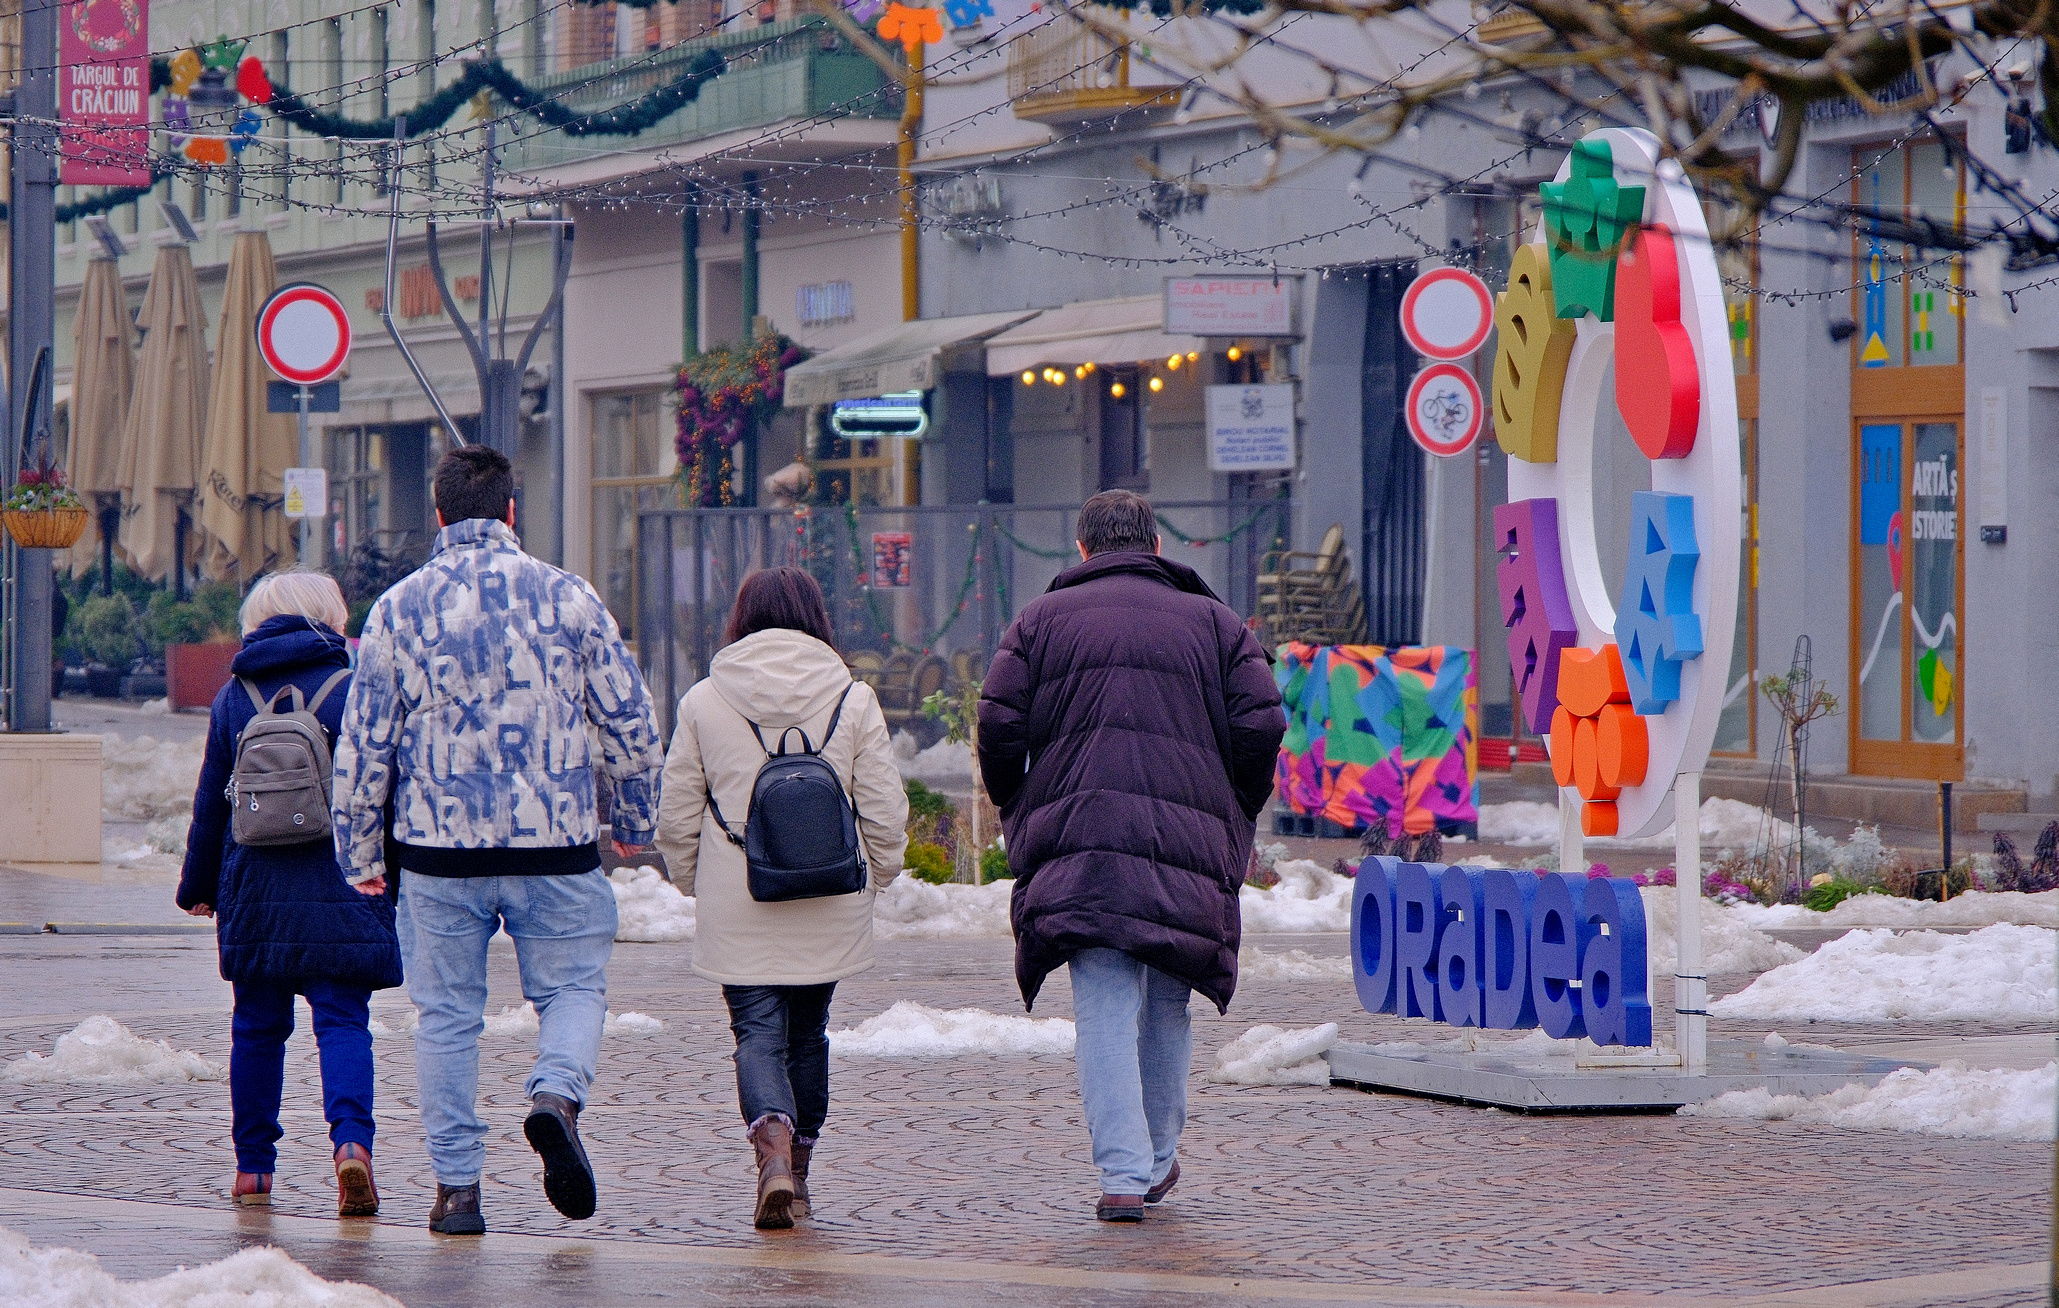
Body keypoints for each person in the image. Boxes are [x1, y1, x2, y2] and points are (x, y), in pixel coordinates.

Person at [331, 445, 663, 1237]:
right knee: (574, 988)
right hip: (555, 845)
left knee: (446, 1018)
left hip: (437, 854)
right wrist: (638, 822)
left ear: (439, 514)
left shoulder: (398, 610)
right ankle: (554, 1095)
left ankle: (457, 1192)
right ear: (513, 512)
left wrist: (361, 856)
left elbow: (365, 744)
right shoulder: (571, 598)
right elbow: (633, 726)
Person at [977, 489, 1285, 1223]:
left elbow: (996, 722)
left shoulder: (1038, 623)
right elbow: (1263, 722)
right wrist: (1232, 805)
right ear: (1154, 546)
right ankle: (1153, 1162)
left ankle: (1121, 1174)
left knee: (1103, 1002)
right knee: (1168, 995)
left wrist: (1016, 800)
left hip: (1080, 836)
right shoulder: (1215, 624)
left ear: (1082, 550)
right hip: (1186, 837)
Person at [654, 567, 907, 1230]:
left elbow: (677, 812)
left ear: (739, 619)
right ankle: (799, 1161)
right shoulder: (852, 699)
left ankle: (770, 1153)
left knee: (756, 1031)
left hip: (739, 895)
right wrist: (880, 873)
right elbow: (881, 806)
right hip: (828, 893)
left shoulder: (705, 700)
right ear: (816, 619)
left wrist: (693, 880)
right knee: (809, 1031)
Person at [175, 571, 402, 1217]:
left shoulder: (233, 696)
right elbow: (387, 792)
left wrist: (197, 887)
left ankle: (252, 1169)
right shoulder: (355, 690)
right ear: (330, 616)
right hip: (344, 881)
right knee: (342, 1022)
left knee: (255, 1028)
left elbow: (209, 802)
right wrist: (398, 875)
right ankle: (351, 1147)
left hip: (255, 887)